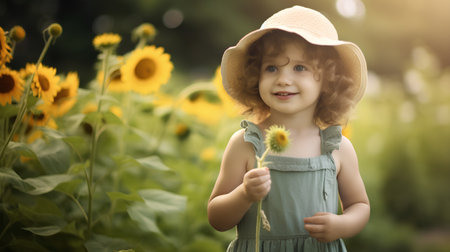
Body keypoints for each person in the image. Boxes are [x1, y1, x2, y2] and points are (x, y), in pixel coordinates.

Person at [207, 5, 370, 252]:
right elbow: (217, 218)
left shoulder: (336, 148)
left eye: (300, 68)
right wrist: (244, 194)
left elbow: (360, 205)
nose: (283, 78)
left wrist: (342, 225)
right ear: (255, 76)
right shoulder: (246, 144)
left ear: (328, 80)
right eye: (271, 68)